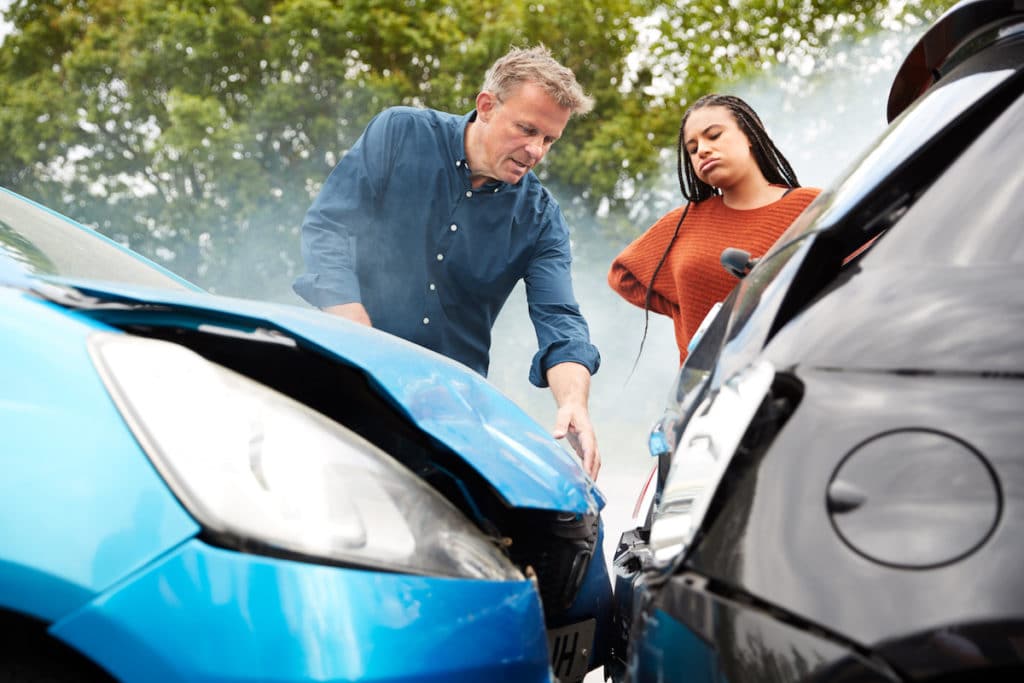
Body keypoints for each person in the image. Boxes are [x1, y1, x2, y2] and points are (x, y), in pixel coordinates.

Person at [293, 45, 602, 479]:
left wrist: (573, 402)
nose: (536, 151)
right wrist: (362, 340)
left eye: (549, 139)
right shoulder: (400, 132)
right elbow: (328, 227)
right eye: (527, 129)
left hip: (445, 416)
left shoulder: (540, 217)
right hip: (343, 378)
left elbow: (561, 320)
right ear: (487, 106)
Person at [608, 94, 821, 365]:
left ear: (751, 134)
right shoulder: (684, 222)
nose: (703, 151)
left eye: (714, 136)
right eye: (693, 149)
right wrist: (686, 308)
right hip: (702, 394)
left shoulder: (809, 205)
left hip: (792, 377)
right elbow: (623, 275)